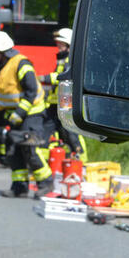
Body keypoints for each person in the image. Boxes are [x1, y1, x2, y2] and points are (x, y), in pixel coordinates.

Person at [0, 31, 54, 198]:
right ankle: (19, 187)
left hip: (32, 113)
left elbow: (31, 92)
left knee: (29, 147)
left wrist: (19, 113)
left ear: (3, 51)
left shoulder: (21, 64)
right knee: (12, 149)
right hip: (12, 114)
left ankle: (46, 182)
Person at [41, 27, 88, 159]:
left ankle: (81, 160)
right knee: (46, 131)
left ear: (68, 45)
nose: (58, 46)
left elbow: (63, 76)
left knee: (70, 133)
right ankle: (44, 160)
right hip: (55, 104)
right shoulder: (62, 59)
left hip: (66, 103)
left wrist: (44, 78)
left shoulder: (71, 60)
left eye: (61, 44)